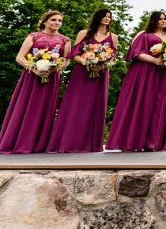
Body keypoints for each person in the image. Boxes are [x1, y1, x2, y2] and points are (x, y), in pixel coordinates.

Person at [0, 10, 71, 154]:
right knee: (26, 106)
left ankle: (40, 144)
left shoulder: (65, 40)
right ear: (45, 21)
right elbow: (20, 57)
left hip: (51, 78)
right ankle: (19, 142)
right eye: (53, 20)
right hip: (31, 76)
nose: (57, 23)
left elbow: (66, 61)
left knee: (46, 108)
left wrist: (53, 69)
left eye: (60, 20)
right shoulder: (33, 36)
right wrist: (35, 69)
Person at [106, 11, 166, 152]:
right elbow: (136, 53)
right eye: (160, 19)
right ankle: (130, 142)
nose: (163, 21)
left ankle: (152, 143)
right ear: (154, 21)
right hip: (145, 73)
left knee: (158, 105)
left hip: (164, 74)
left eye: (165, 19)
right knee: (141, 103)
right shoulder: (144, 35)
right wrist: (154, 60)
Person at [47, 8, 118, 153]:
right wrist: (86, 62)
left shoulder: (113, 37)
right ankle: (68, 142)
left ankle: (91, 144)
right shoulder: (84, 33)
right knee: (75, 105)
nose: (107, 19)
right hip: (81, 73)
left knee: (95, 106)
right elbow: (74, 55)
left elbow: (113, 57)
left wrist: (101, 65)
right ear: (97, 17)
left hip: (101, 75)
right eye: (104, 16)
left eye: (109, 17)